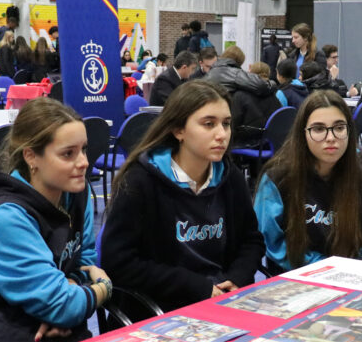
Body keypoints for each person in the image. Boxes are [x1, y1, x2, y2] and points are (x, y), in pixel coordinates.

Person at [0, 97, 111, 342]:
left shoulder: (78, 193)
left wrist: (70, 294)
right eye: (68, 154)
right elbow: (68, 302)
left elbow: (85, 262)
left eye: (84, 150)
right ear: (31, 157)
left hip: (63, 337)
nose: (84, 162)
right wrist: (103, 289)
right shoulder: (8, 217)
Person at [101, 80, 264, 312]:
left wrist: (238, 276)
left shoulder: (231, 177)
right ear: (179, 131)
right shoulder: (141, 180)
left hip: (222, 302)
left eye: (226, 124)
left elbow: (251, 240)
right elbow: (118, 263)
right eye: (209, 124)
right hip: (161, 308)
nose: (222, 134)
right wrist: (196, 286)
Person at [253, 90, 362, 274]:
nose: (331, 137)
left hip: (354, 279)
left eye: (339, 127)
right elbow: (271, 242)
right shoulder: (277, 177)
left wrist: (357, 277)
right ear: (303, 134)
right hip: (296, 278)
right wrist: (324, 268)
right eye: (318, 129)